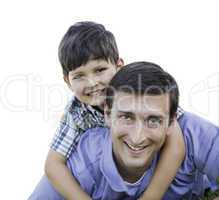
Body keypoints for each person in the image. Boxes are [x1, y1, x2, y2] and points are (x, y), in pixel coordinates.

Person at [29, 62, 219, 200]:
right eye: (127, 117)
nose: (137, 137)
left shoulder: (191, 133)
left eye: (153, 120)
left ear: (171, 122)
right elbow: (53, 167)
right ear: (107, 114)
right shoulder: (85, 157)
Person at [43, 22, 185, 200]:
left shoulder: (141, 89)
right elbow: (53, 164)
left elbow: (176, 144)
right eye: (79, 76)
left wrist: (151, 197)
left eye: (100, 70)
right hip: (112, 181)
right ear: (67, 81)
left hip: (154, 173)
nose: (92, 83)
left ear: (119, 66)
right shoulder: (77, 111)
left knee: (191, 129)